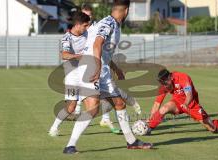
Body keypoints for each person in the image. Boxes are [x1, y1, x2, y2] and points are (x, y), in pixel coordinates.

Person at [63, 0, 153, 154]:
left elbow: (104, 51)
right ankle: (70, 146)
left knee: (119, 103)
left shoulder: (114, 25)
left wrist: (116, 69)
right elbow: (97, 44)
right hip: (91, 68)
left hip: (101, 70)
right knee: (92, 109)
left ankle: (132, 141)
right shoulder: (108, 23)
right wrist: (97, 68)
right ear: (126, 10)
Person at [147, 68, 218, 135]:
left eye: (165, 83)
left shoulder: (182, 77)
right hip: (176, 103)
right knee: (164, 108)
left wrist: (186, 104)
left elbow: (189, 95)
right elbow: (157, 103)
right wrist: (150, 119)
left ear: (170, 77)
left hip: (191, 104)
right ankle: (149, 129)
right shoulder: (163, 85)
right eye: (163, 84)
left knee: (213, 129)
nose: (164, 86)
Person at [48, 12, 92, 137]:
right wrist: (80, 57)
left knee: (92, 103)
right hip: (73, 76)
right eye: (85, 25)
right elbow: (64, 55)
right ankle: (54, 127)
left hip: (87, 75)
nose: (87, 27)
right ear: (77, 25)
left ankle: (103, 121)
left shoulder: (88, 34)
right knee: (71, 107)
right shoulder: (67, 38)